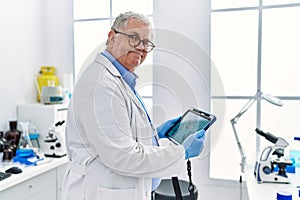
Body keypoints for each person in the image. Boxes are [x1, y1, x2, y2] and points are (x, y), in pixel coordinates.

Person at [62, 11, 206, 200]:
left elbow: (118, 137)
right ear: (112, 38)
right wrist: (181, 152)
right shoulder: (101, 86)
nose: (141, 47)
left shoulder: (119, 80)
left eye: (147, 43)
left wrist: (155, 134)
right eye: (133, 38)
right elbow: (124, 157)